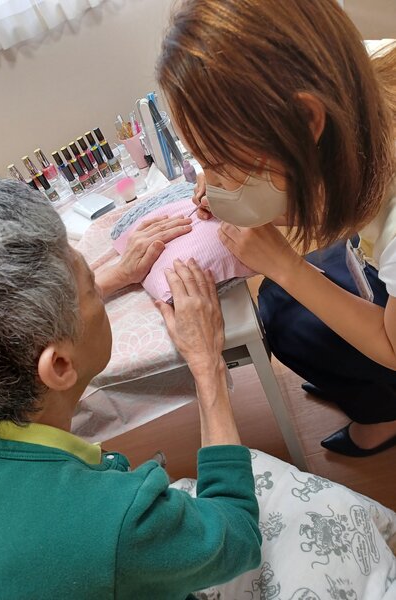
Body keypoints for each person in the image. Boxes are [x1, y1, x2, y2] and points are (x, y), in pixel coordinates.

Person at [0, 177, 261, 599]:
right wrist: (208, 367)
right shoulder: (115, 522)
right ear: (59, 365)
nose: (98, 284)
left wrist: (116, 276)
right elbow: (238, 536)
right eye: (91, 287)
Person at [156, 0, 396, 457]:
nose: (212, 180)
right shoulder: (353, 73)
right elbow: (341, 202)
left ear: (305, 121)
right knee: (281, 305)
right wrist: (229, 176)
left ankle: (384, 415)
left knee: (291, 311)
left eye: (220, 160)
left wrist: (285, 264)